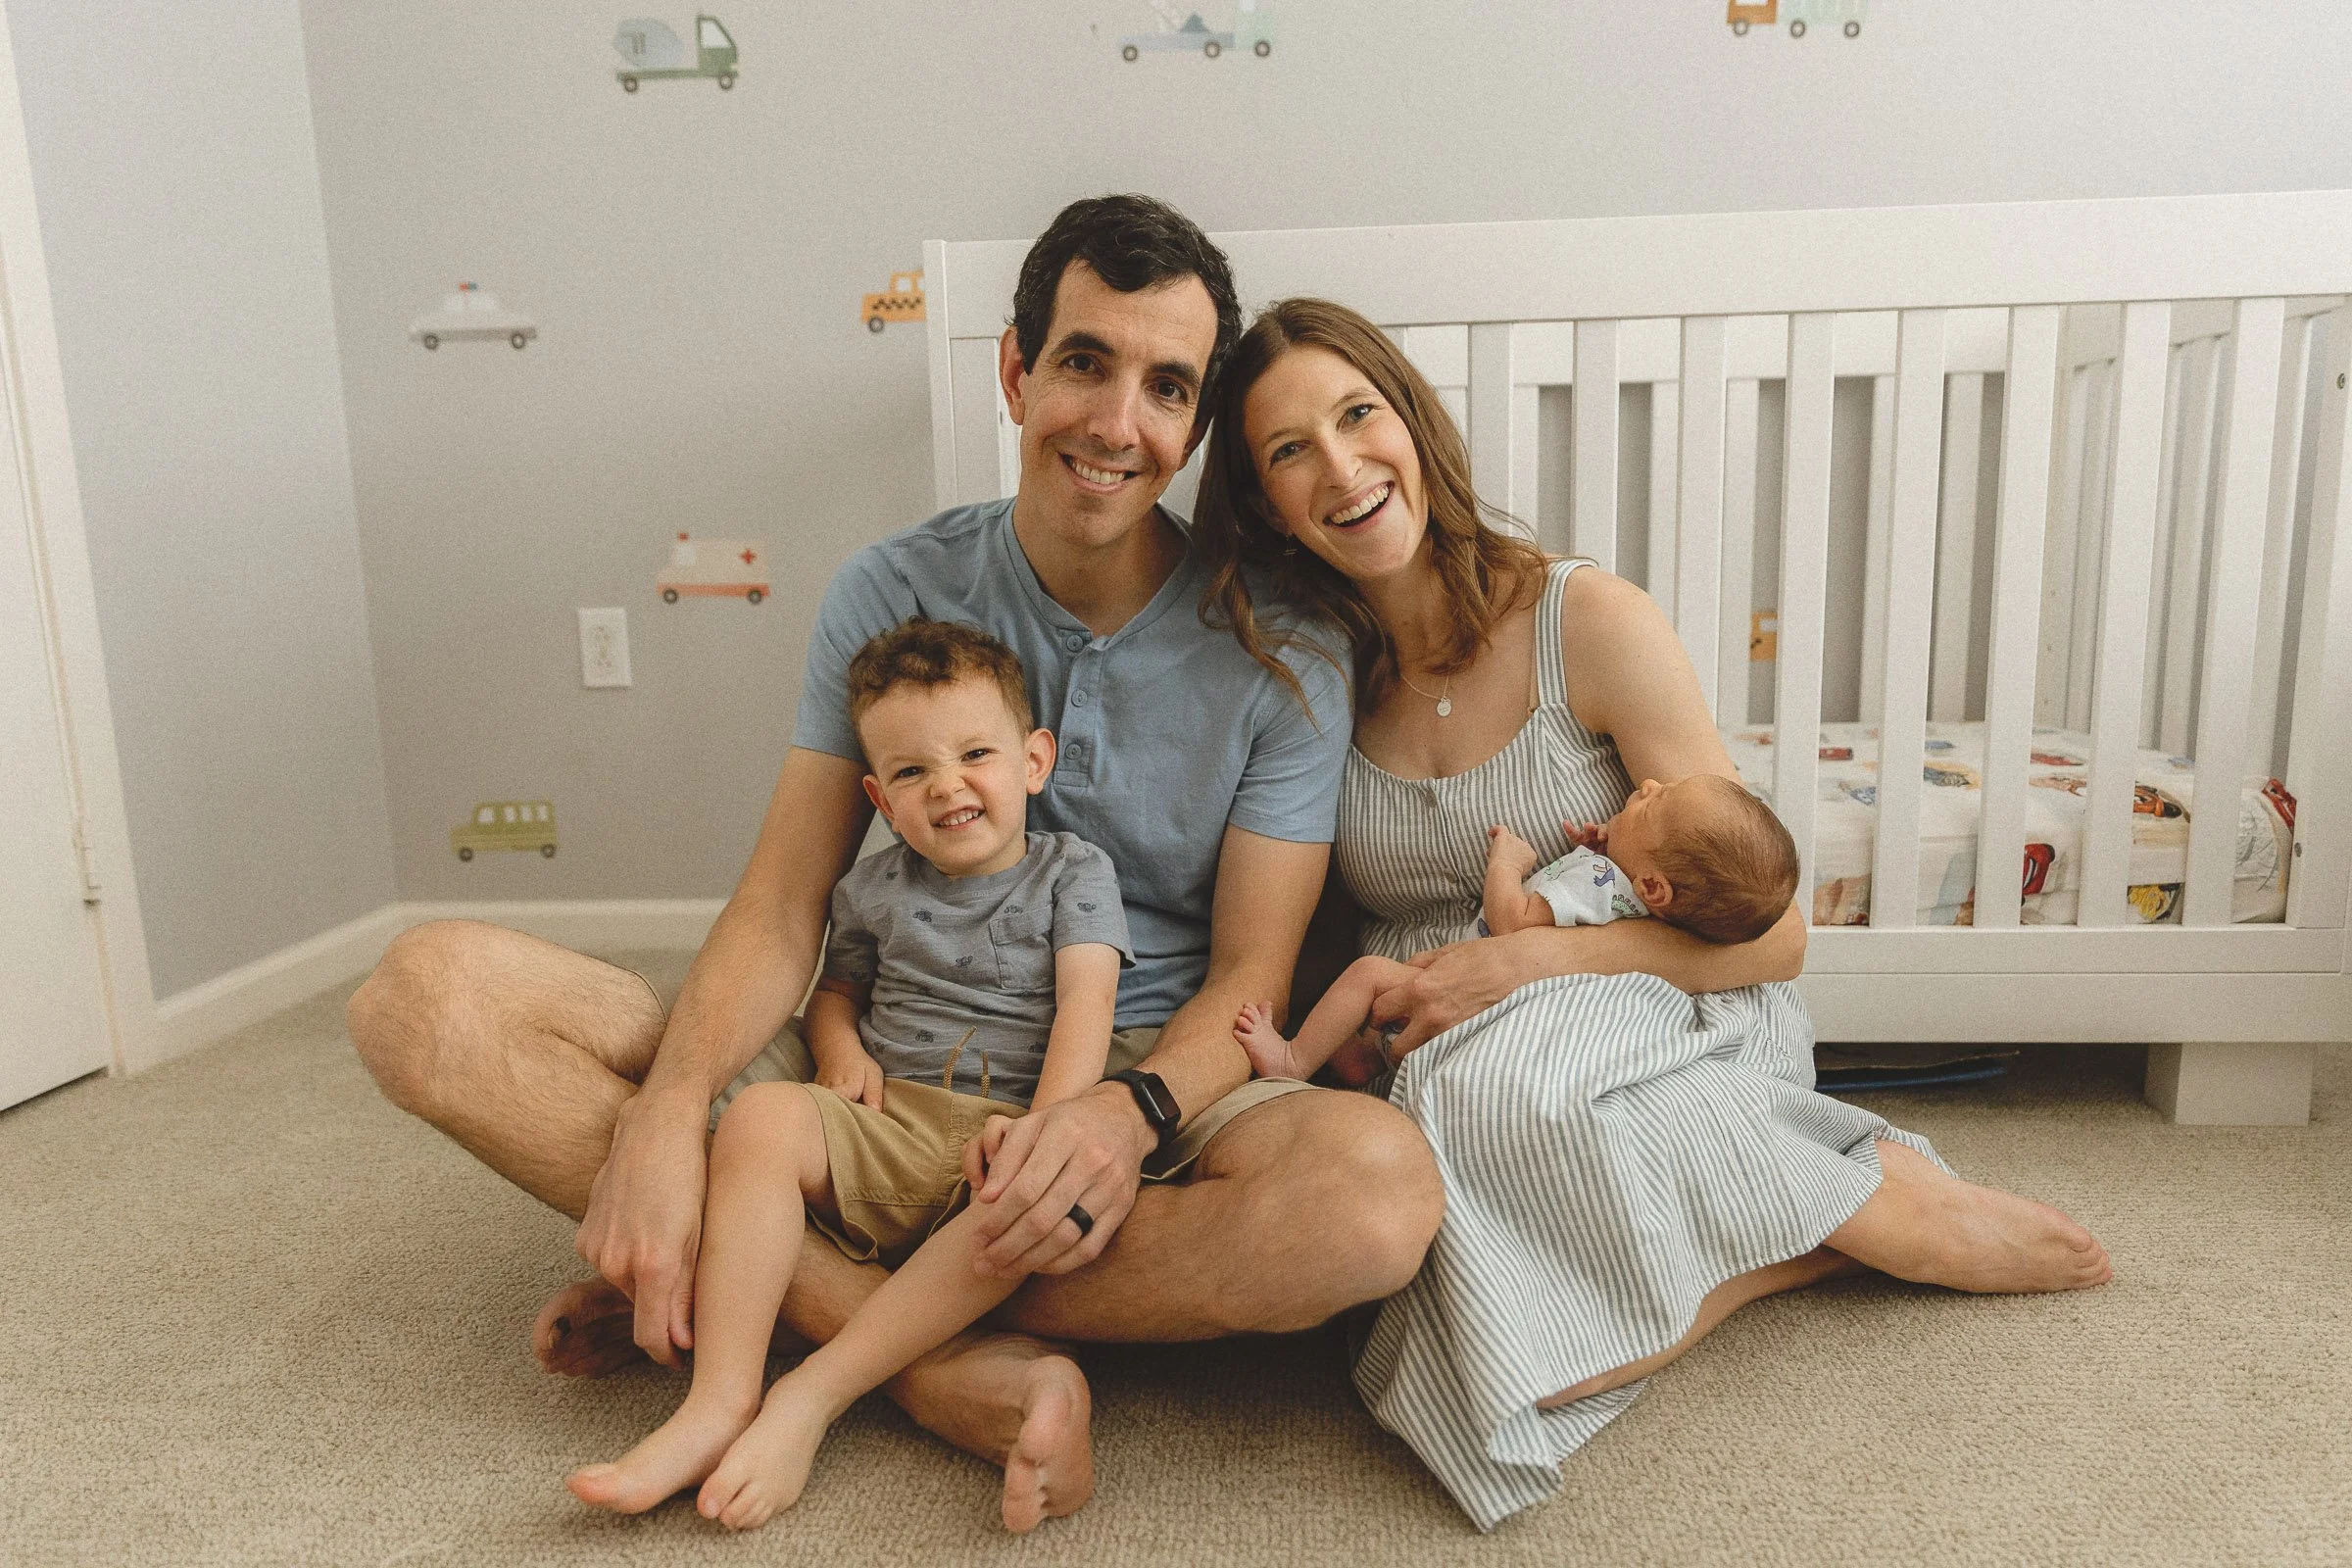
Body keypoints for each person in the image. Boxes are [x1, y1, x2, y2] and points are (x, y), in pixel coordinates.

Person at [343, 197, 1442, 1534]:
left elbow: (1251, 976)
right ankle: (934, 1369)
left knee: (1375, 1206)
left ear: (1197, 424)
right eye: (1085, 363)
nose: (1117, 423)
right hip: (889, 1049)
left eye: (1166, 387)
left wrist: (1117, 1115)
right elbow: (786, 899)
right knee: (423, 996)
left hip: (1134, 1062)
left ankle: (792, 1294)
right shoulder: (891, 586)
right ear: (1015, 369)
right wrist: (663, 1108)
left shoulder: (1287, 645)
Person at [1192, 296, 2112, 1530]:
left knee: (1496, 1109)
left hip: (1648, 998)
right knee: (1394, 1227)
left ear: (1411, 420)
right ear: (1262, 502)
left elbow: (1773, 932)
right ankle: (1810, 1231)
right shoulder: (1305, 676)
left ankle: (1869, 1205)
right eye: (1290, 450)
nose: (1344, 468)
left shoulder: (1587, 620)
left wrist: (1519, 970)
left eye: (1358, 415)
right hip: (1430, 1029)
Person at [570, 619, 1134, 1529]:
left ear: (1034, 760)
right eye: (912, 772)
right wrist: (839, 1052)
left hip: (1006, 1128)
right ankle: (720, 1398)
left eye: (975, 754)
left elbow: (1087, 1008)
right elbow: (835, 993)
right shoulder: (872, 889)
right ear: (878, 795)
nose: (947, 784)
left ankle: (812, 1398)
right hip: (893, 1117)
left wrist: (1051, 1124)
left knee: (1021, 1192)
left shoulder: (1075, 873)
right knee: (756, 1119)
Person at [1235, 771, 1797, 1085]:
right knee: (1380, 1006)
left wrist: (1506, 864)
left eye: (1656, 804)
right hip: (1534, 1009)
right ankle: (1362, 1060)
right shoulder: (1643, 903)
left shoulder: (1602, 879)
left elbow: (1513, 923)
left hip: (1490, 991)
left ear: (1653, 886)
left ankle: (1291, 1062)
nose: (1649, 784)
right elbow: (1602, 901)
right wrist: (1611, 844)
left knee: (1369, 975)